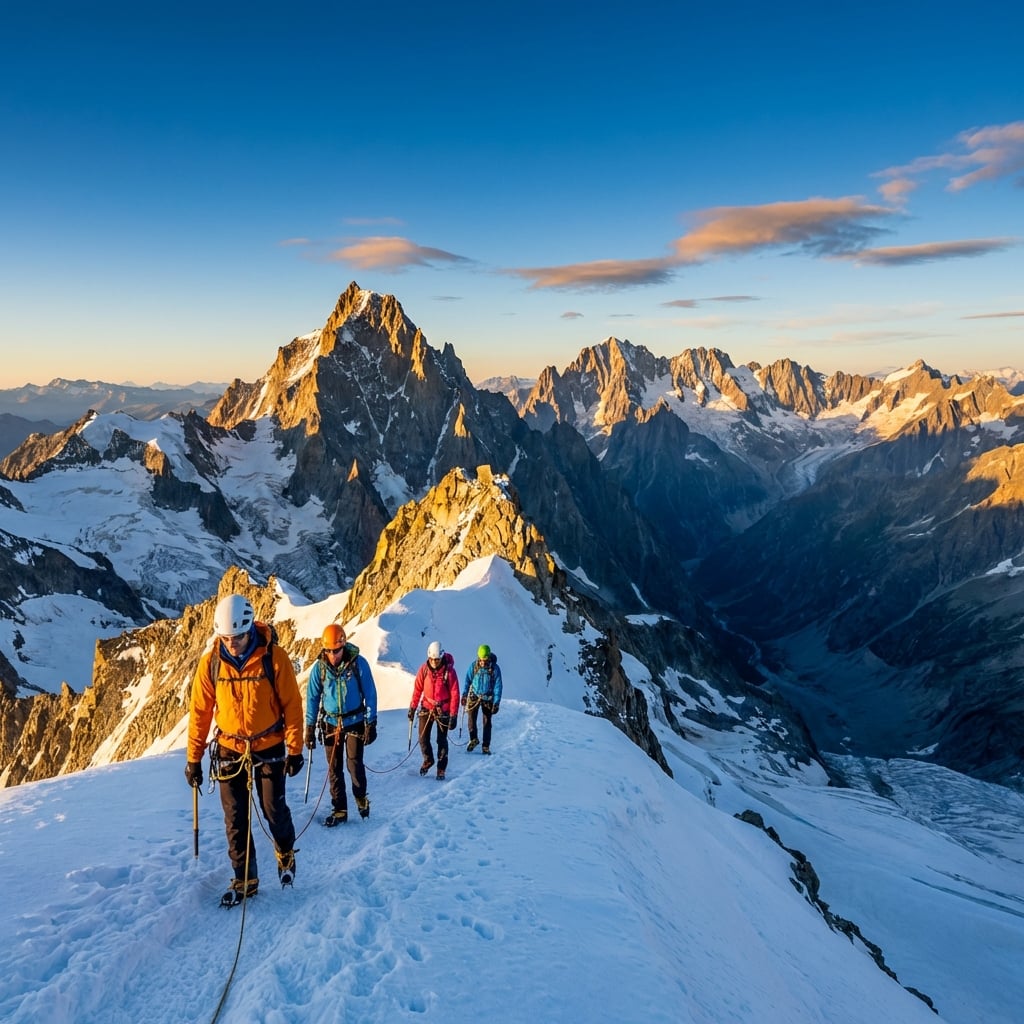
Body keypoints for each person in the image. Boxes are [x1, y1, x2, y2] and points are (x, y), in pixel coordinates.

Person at [185, 594, 304, 907]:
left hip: (269, 744)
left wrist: (295, 748)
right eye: (225, 638)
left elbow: (292, 705)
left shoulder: (274, 658)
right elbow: (200, 711)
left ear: (250, 629)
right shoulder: (211, 663)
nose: (232, 643)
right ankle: (244, 879)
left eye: (237, 637)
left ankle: (285, 851)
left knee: (273, 809)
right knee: (235, 818)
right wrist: (193, 758)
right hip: (229, 746)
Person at [305, 624, 378, 826]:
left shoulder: (358, 664)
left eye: (335, 650)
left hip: (354, 721)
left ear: (343, 646)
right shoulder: (319, 668)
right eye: (328, 650)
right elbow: (312, 698)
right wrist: (309, 728)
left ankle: (361, 797)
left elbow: (370, 694)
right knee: (334, 768)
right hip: (330, 723)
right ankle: (339, 809)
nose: (332, 655)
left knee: (354, 764)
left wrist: (371, 722)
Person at [409, 640, 460, 779]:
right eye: (432, 659)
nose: (434, 662)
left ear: (441, 657)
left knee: (441, 740)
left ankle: (441, 768)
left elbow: (455, 693)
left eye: (437, 660)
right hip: (427, 707)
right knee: (422, 737)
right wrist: (412, 707)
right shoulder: (423, 669)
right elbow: (418, 689)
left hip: (443, 710)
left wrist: (453, 715)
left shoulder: (449, 672)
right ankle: (428, 759)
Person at [463, 644, 503, 754]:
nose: (483, 662)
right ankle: (473, 739)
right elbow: (467, 680)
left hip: (488, 697)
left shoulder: (494, 669)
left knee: (487, 722)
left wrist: (496, 703)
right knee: (471, 718)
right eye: (481, 660)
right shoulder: (474, 666)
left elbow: (498, 686)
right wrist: (464, 695)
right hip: (474, 695)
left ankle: (486, 746)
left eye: (485, 660)